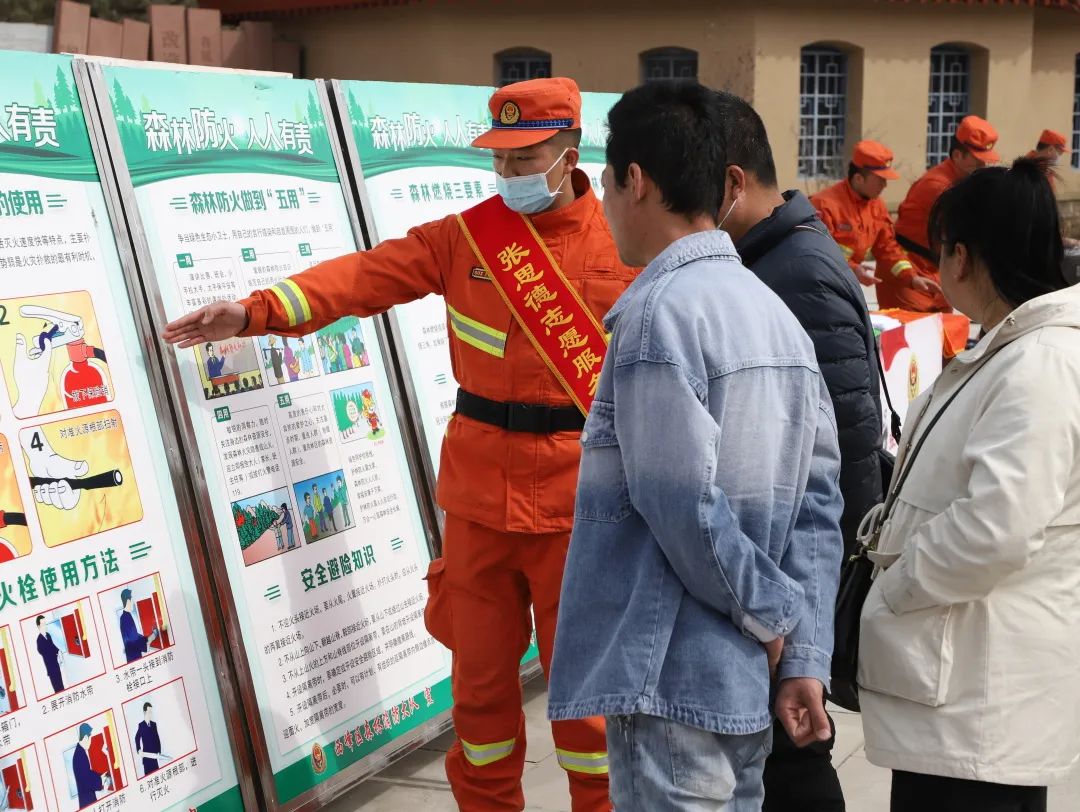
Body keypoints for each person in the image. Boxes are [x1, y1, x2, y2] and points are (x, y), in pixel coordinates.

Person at [161, 76, 637, 811]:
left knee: (590, 706)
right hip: (478, 508)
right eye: (501, 160)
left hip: (582, 508)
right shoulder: (469, 236)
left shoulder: (625, 245)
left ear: (568, 153)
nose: (509, 174)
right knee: (479, 701)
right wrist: (254, 312)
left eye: (525, 158)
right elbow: (363, 278)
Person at [548, 81, 843, 812]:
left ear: (635, 180)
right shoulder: (774, 316)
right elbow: (818, 505)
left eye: (607, 183)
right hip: (741, 686)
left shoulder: (655, 315)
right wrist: (801, 650)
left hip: (670, 678)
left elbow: (679, 502)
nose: (606, 204)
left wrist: (774, 619)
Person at [858, 158, 1080, 812]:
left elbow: (996, 528)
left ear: (963, 257)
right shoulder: (1017, 350)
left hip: (981, 702)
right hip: (963, 696)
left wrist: (894, 588)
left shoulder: (1040, 364)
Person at [714, 92, 883, 812]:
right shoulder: (771, 260)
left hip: (790, 578)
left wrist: (804, 618)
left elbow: (843, 451)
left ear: (728, 185)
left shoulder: (796, 275)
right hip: (778, 580)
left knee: (795, 752)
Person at [890, 115, 999, 313]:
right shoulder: (939, 187)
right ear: (957, 155)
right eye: (977, 161)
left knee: (945, 335)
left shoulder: (961, 183)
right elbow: (972, 228)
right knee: (914, 338)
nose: (983, 167)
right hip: (911, 272)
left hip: (935, 270)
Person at [810, 140, 931, 297]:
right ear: (859, 178)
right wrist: (853, 269)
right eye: (880, 180)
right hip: (818, 286)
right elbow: (818, 254)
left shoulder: (877, 206)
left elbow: (888, 249)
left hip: (844, 285)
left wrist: (912, 277)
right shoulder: (824, 205)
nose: (885, 185)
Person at [72, 722, 110, 807]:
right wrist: (101, 780)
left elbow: (88, 772)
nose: (91, 742)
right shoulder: (79, 755)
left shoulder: (80, 751)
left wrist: (100, 776)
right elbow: (87, 779)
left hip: (87, 798)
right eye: (90, 738)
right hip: (87, 801)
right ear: (85, 737)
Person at [119, 588, 159, 663]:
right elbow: (134, 639)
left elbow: (134, 635)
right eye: (132, 600)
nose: (133, 602)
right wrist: (151, 638)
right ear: (128, 601)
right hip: (134, 657)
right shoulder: (126, 617)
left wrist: (147, 638)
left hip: (133, 656)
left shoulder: (126, 616)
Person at [35, 615, 64, 694]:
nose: (45, 625)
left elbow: (53, 646)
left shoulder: (48, 635)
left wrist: (58, 651)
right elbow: (42, 651)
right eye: (42, 624)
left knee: (62, 687)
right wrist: (54, 652)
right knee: (58, 690)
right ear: (38, 626)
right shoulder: (39, 640)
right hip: (51, 669)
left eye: (45, 623)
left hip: (56, 665)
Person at [135, 702, 164, 776]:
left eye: (151, 712)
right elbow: (137, 737)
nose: (151, 714)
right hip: (146, 757)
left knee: (157, 775)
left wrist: (159, 751)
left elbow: (157, 739)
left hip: (154, 756)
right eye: (149, 712)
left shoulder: (154, 725)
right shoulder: (141, 725)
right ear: (144, 712)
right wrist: (139, 750)